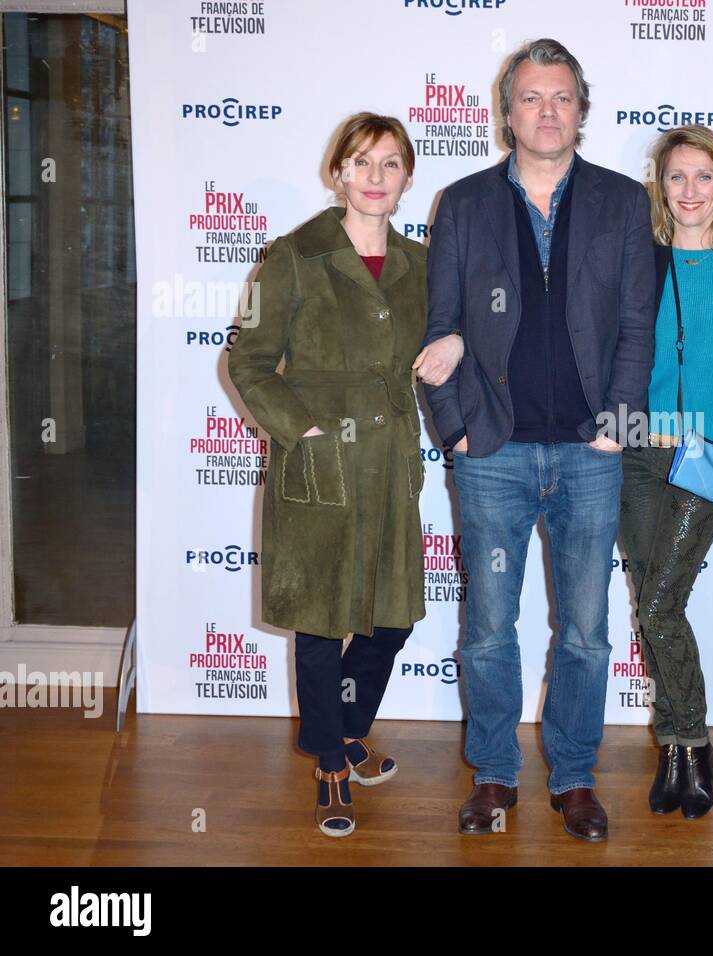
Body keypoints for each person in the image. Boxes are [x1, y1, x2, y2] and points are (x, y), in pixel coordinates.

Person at [421, 38, 655, 842]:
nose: (546, 111)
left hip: (592, 455)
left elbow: (635, 326)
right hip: (493, 453)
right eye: (531, 97)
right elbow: (439, 328)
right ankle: (493, 775)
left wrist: (619, 425)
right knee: (488, 628)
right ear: (506, 110)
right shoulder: (462, 203)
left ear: (581, 111)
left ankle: (576, 777)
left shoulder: (625, 203)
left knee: (586, 631)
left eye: (561, 97)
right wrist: (453, 431)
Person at [228, 112, 429, 837]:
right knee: (319, 621)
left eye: (391, 164)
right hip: (319, 468)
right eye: (363, 163)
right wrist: (302, 431)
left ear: (408, 178)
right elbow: (247, 361)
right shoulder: (294, 255)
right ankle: (330, 766)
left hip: (390, 468)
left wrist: (460, 340)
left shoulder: (418, 265)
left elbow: (441, 342)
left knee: (393, 615)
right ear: (337, 172)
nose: (376, 177)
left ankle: (343, 728)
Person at [619, 124, 713, 819]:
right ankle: (674, 748)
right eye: (676, 177)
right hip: (641, 450)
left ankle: (694, 743)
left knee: (656, 605)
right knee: (656, 601)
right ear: (661, 185)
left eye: (703, 176)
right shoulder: (641, 259)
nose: (689, 190)